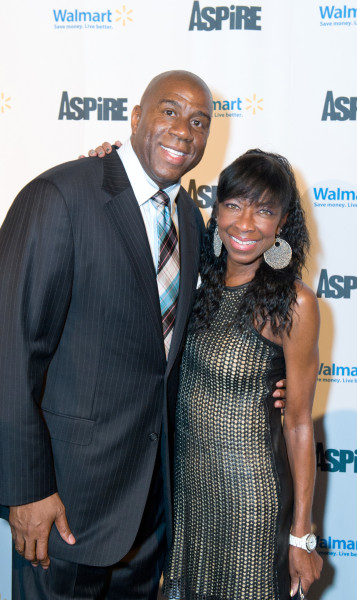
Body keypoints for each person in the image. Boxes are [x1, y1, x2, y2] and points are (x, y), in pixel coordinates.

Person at [0, 71, 286, 600]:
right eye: (169, 111)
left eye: (198, 122)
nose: (183, 130)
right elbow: (10, 352)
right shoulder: (59, 196)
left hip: (150, 514)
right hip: (65, 508)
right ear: (136, 117)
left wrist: (272, 381)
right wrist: (26, 489)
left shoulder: (192, 219)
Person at [159, 150, 323, 599]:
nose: (245, 223)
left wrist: (301, 536)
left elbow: (299, 421)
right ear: (217, 210)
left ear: (282, 223)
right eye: (234, 204)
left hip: (251, 503)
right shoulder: (198, 284)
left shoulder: (295, 304)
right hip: (192, 497)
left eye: (264, 210)